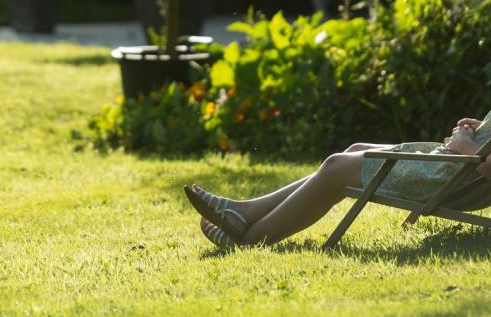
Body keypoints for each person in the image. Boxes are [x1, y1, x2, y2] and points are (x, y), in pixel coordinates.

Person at [184, 113, 491, 251]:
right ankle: (246, 212)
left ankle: (250, 239)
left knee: (335, 168)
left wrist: (465, 144)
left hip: (446, 175)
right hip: (451, 167)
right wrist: (480, 128)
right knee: (355, 150)